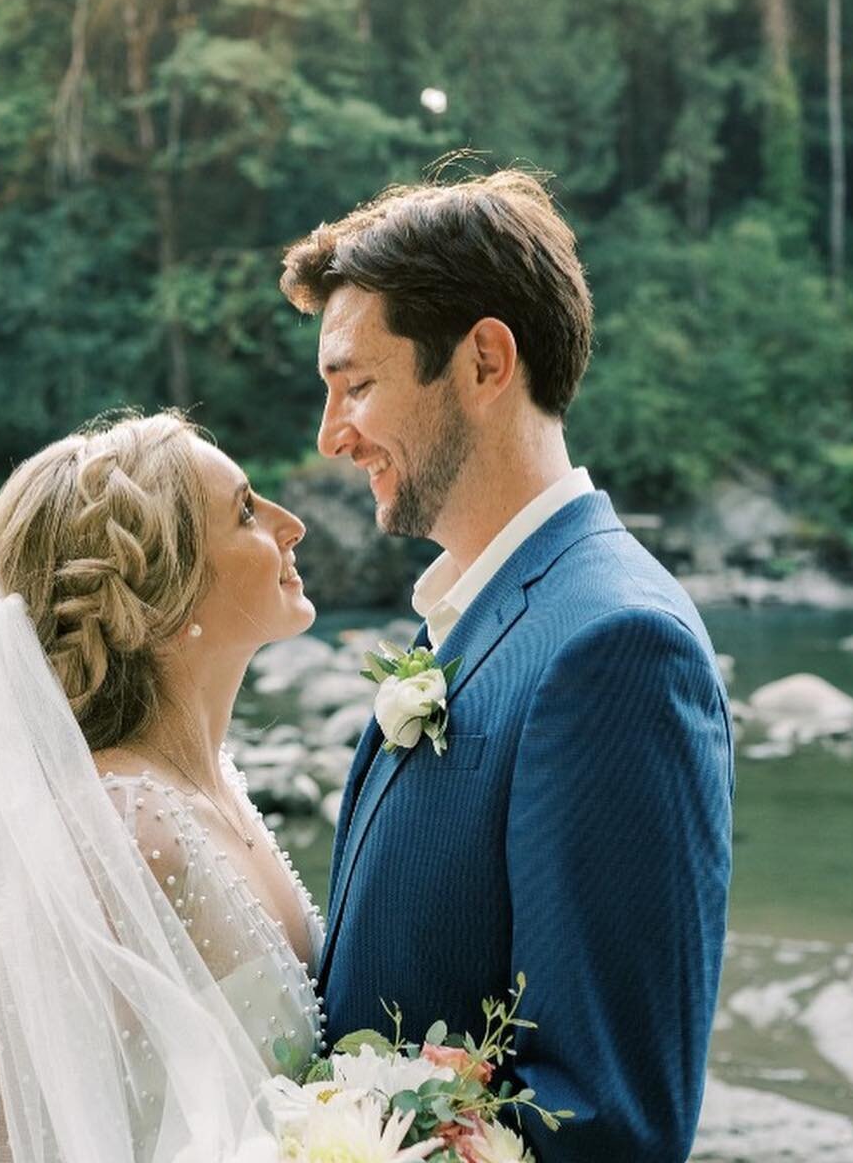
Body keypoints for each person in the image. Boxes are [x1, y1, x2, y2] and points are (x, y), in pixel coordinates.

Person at [280, 168, 734, 1162]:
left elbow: (608, 1121)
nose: (331, 435)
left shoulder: (616, 646)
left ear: (485, 361)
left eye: (356, 383)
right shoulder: (468, 615)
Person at [0, 412, 321, 1163]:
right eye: (246, 511)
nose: (292, 525)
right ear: (167, 602)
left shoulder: (213, 788)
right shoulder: (122, 829)